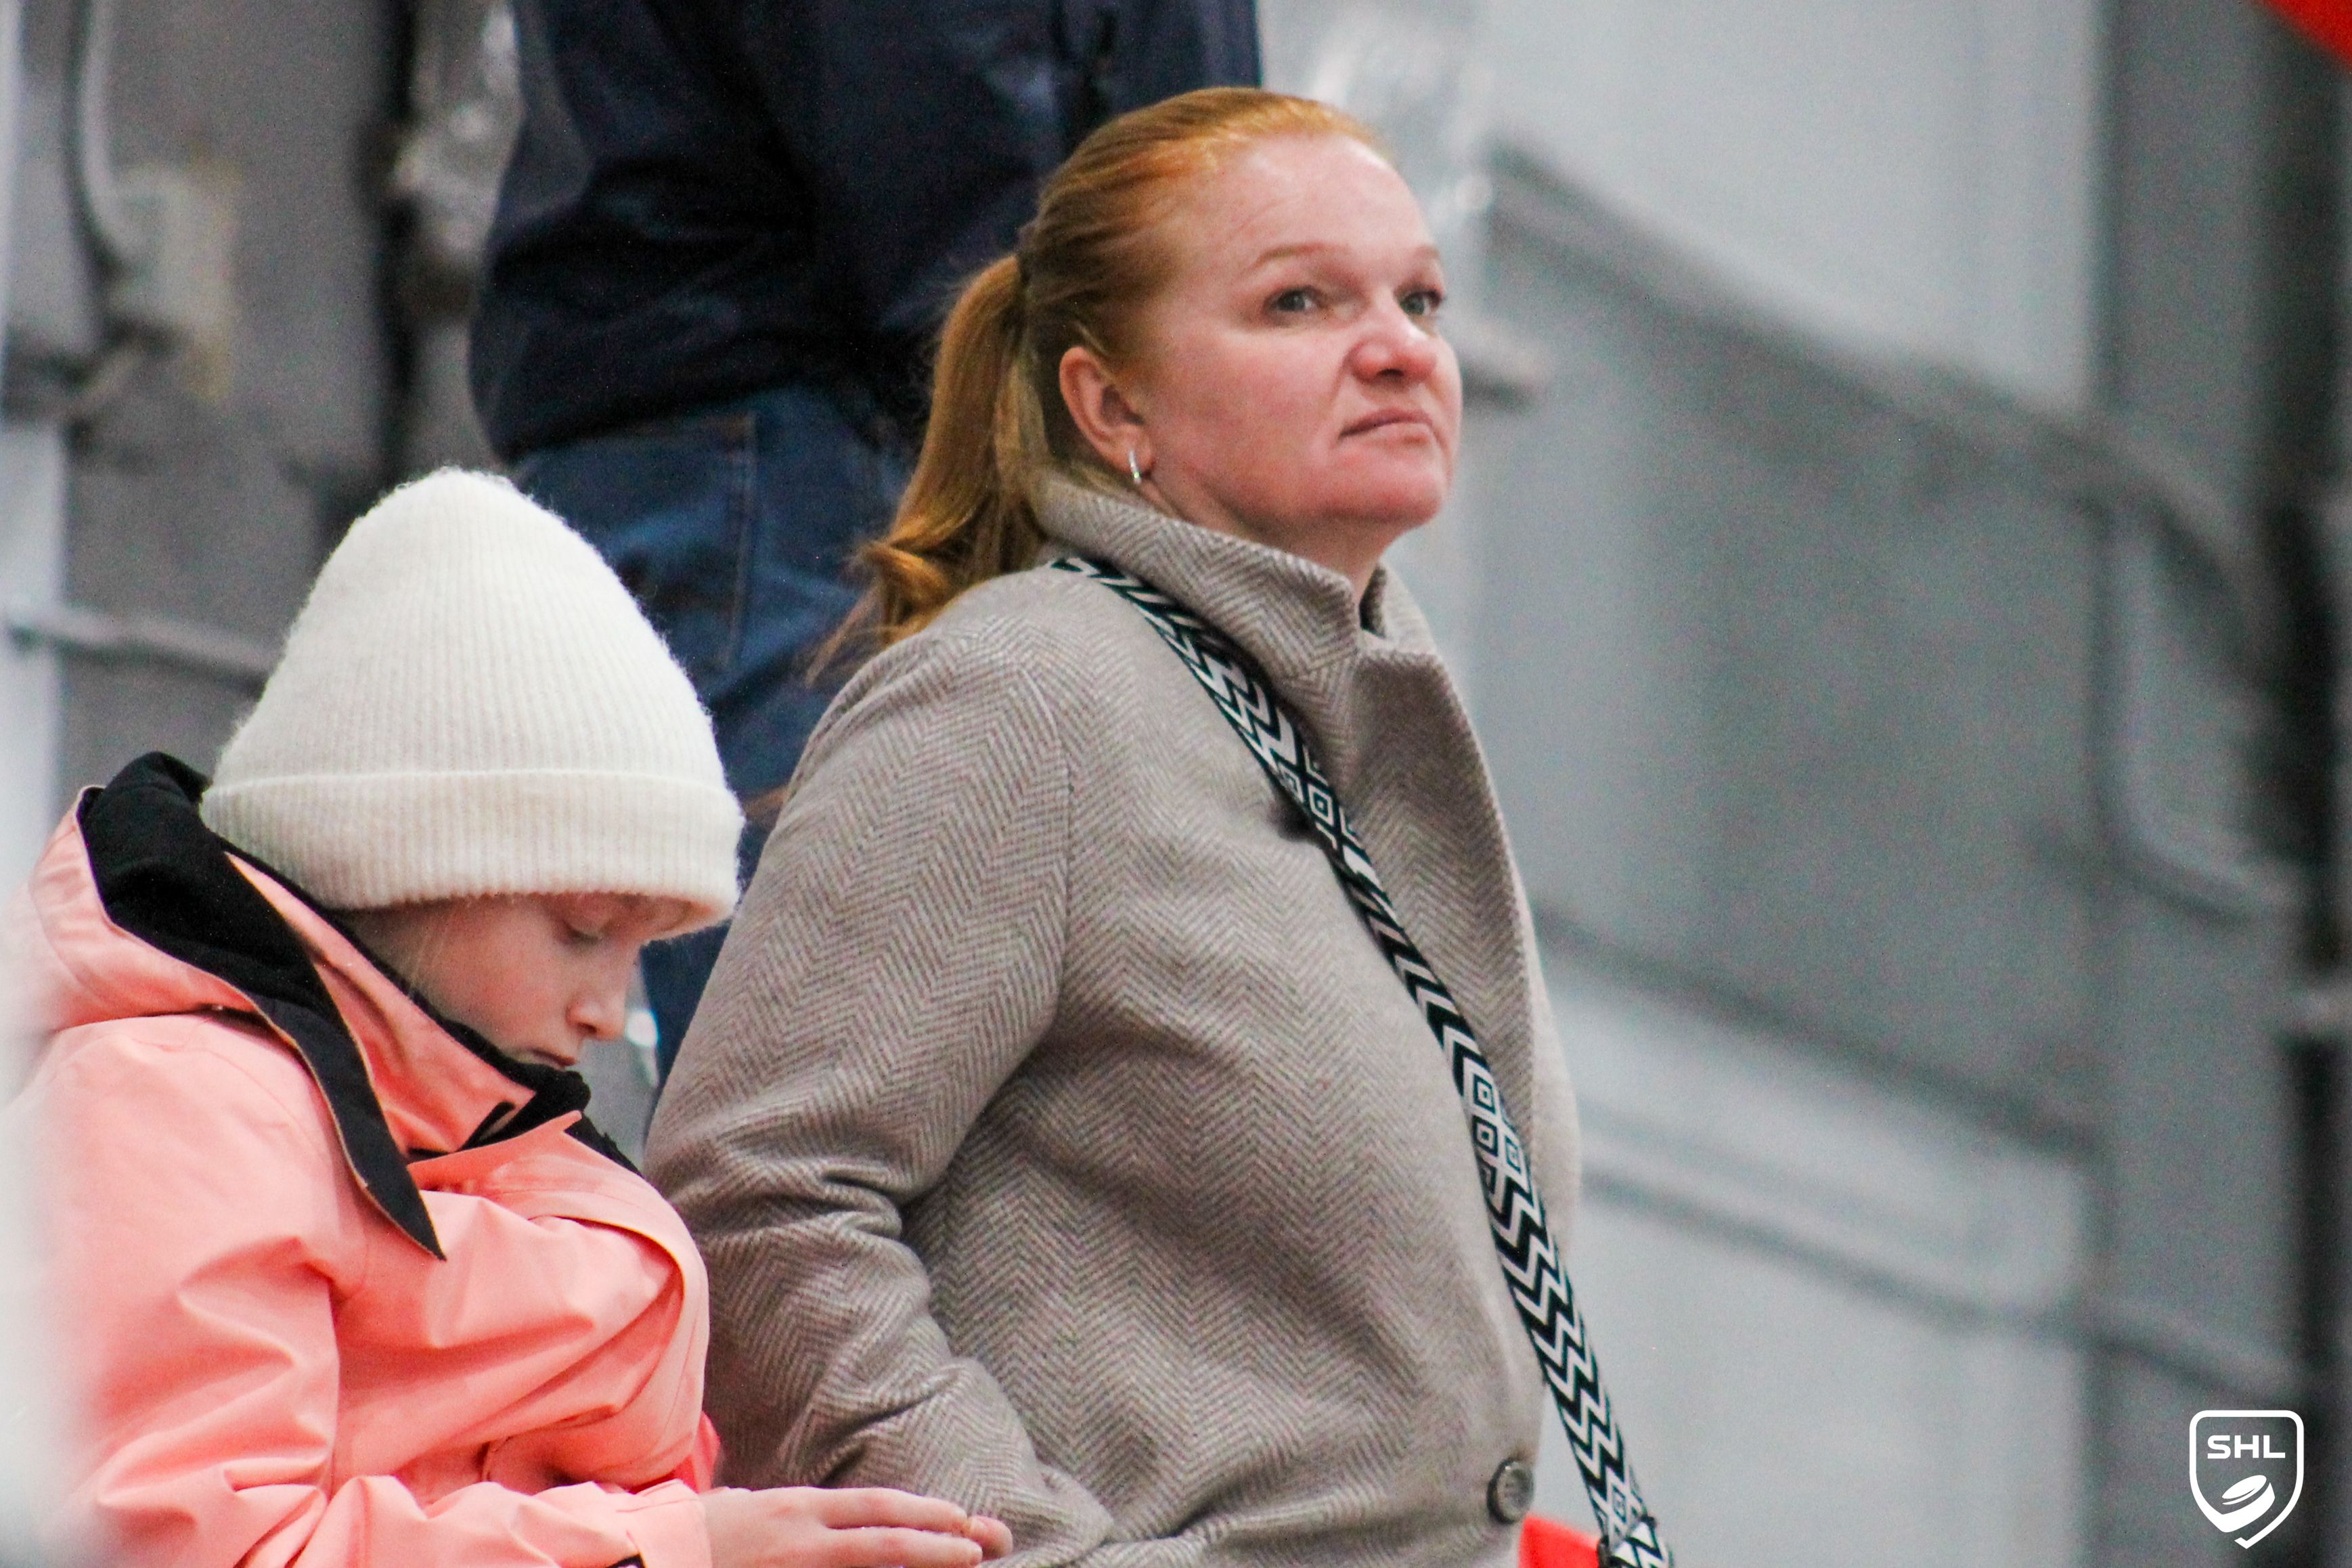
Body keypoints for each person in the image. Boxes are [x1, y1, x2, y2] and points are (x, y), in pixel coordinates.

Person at [648, 89, 1587, 1565]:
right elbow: (754, 1198)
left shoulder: (1368, 725)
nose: (1400, 347)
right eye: (1299, 302)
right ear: (1111, 405)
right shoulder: (1027, 696)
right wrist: (1025, 1549)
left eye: (1419, 299)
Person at [12, 471, 1011, 1568]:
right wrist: (669, 1551)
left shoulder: (484, 1129)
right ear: (407, 867)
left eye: (641, 949)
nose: (609, 1010)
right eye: (584, 930)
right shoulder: (179, 1100)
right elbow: (187, 1546)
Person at [470, 1, 1262, 1066]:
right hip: (821, 422)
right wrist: (1101, 386)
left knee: (837, 1045)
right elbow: (929, 104)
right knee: (835, 1057)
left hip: (767, 397)